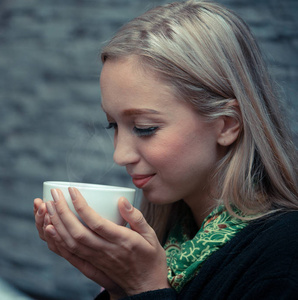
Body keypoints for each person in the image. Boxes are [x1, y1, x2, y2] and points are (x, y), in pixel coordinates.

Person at [33, 0, 298, 299]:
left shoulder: (285, 255)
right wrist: (120, 287)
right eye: (113, 126)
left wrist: (145, 287)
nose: (119, 156)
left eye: (145, 127)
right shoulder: (165, 238)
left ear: (227, 125)